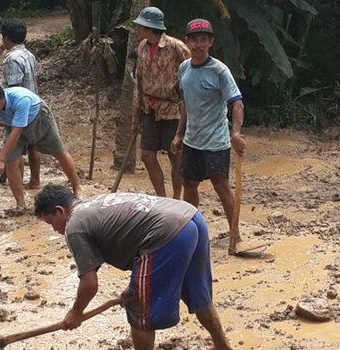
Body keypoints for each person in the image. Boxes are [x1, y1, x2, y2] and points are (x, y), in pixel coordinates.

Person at [34, 185, 233, 350]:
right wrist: (134, 288)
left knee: (138, 309)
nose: (55, 229)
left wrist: (76, 312)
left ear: (60, 211)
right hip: (191, 217)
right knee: (199, 294)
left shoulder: (74, 226)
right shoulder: (96, 203)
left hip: (167, 232)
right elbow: (135, 236)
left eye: (51, 222)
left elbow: (89, 283)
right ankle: (222, 346)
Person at [171, 19, 245, 255]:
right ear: (187, 42)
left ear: (210, 43)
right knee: (189, 184)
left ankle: (236, 235)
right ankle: (189, 232)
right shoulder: (183, 69)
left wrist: (236, 133)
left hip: (216, 142)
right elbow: (186, 105)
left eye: (204, 39)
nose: (198, 44)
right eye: (194, 39)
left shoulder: (220, 71)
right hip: (192, 140)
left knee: (221, 186)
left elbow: (237, 102)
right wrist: (179, 134)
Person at [0, 83, 80, 208]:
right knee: (11, 162)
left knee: (59, 152)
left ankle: (77, 189)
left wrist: (0, 159)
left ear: (2, 98)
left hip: (38, 118)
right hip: (13, 125)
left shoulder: (21, 98)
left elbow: (17, 131)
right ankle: (21, 204)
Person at [131, 7, 190, 200]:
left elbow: (191, 73)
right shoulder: (142, 47)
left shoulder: (176, 47)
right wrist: (136, 115)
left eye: (141, 26)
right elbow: (139, 82)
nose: (138, 29)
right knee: (147, 156)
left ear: (150, 27)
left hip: (172, 109)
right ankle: (161, 197)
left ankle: (176, 197)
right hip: (149, 107)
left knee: (176, 156)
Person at [0, 18, 41, 189]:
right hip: (34, 104)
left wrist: (6, 115)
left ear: (6, 38)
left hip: (19, 109)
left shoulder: (12, 59)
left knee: (16, 150)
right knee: (33, 145)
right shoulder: (28, 54)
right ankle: (35, 181)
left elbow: (13, 90)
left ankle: (17, 186)